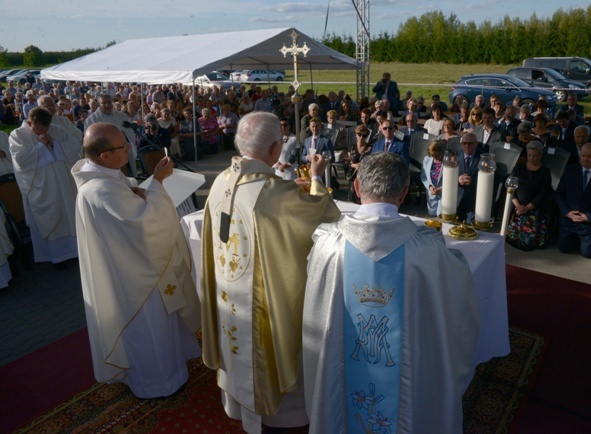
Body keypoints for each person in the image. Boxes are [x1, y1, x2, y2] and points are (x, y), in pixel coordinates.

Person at [302, 152, 479, 434]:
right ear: (404, 193)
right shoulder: (429, 252)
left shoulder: (328, 245)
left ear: (357, 188)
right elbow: (459, 310)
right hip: (404, 380)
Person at [201, 111, 340, 434]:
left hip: (229, 293)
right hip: (258, 310)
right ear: (276, 149)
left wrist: (290, 187)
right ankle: (280, 417)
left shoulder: (221, 180)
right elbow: (324, 214)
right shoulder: (272, 194)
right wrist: (317, 179)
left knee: (235, 336)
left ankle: (236, 402)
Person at [72, 122, 200, 399]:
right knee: (150, 329)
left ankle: (170, 370)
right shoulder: (99, 190)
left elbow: (127, 198)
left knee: (162, 325)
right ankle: (159, 384)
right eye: (123, 145)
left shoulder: (106, 178)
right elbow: (144, 224)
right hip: (135, 279)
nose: (129, 148)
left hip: (134, 265)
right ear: (104, 155)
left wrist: (139, 190)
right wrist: (157, 183)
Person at [9, 107, 79, 266]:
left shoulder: (57, 130)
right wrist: (40, 146)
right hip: (41, 186)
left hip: (63, 183)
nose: (42, 130)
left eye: (45, 127)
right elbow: (20, 161)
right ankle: (55, 258)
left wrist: (55, 144)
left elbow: (74, 147)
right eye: (38, 127)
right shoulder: (17, 136)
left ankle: (73, 252)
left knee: (68, 215)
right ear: (29, 122)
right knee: (50, 218)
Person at [506, 141, 553, 251]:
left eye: (535, 156)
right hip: (518, 208)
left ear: (540, 156)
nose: (531, 158)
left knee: (527, 243)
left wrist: (527, 208)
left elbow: (543, 194)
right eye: (529, 155)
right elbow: (510, 186)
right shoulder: (519, 168)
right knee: (512, 239)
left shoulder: (545, 172)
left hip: (534, 209)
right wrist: (518, 206)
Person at [85, 94, 138, 175]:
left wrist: (123, 136)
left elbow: (130, 133)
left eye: (109, 102)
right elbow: (89, 142)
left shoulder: (122, 116)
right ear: (99, 105)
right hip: (103, 159)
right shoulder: (91, 120)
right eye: (104, 103)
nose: (107, 105)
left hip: (121, 155)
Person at [421, 140, 461, 217]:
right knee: (432, 213)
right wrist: (430, 187)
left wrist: (441, 189)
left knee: (440, 214)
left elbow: (453, 179)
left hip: (445, 192)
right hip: (431, 192)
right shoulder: (427, 159)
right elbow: (423, 176)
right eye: (433, 156)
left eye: (437, 156)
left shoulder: (450, 160)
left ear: (443, 152)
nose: (435, 158)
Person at [456, 133, 483, 222]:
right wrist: (458, 179)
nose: (467, 146)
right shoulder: (455, 155)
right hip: (457, 197)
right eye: (464, 143)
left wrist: (473, 181)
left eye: (470, 143)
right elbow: (447, 175)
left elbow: (487, 180)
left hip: (474, 199)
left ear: (476, 144)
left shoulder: (482, 158)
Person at [346, 124, 373, 203]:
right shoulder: (351, 147)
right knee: (351, 201)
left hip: (365, 176)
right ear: (356, 135)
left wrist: (363, 165)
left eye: (364, 135)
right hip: (353, 176)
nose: (361, 137)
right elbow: (347, 162)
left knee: (364, 200)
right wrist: (354, 165)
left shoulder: (370, 148)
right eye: (359, 134)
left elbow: (372, 162)